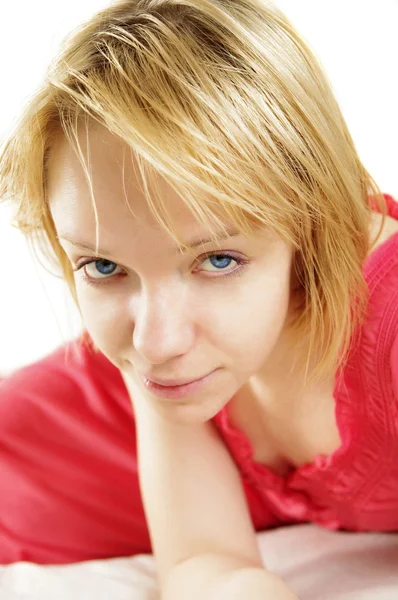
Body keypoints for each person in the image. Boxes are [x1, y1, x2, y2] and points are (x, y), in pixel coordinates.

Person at [0, 0, 397, 597]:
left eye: (217, 260)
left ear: (311, 225)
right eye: (103, 265)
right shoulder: (152, 347)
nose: (154, 342)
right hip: (110, 416)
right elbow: (206, 563)